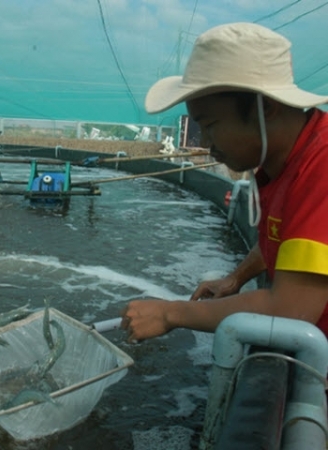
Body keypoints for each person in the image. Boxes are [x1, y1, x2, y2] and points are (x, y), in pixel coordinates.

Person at [120, 22, 328, 342]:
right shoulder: (286, 163)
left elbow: (289, 310)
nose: (205, 143)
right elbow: (289, 240)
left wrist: (169, 313)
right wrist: (236, 278)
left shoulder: (321, 167)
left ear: (266, 109)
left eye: (210, 125)